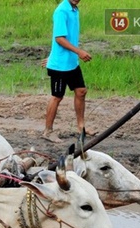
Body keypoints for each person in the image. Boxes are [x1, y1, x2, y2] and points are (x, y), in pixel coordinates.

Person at [42, 0, 92, 144]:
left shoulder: (74, 9)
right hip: (59, 66)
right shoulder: (61, 11)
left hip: (71, 62)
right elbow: (59, 39)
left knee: (81, 91)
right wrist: (79, 52)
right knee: (57, 97)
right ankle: (48, 131)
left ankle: (81, 126)